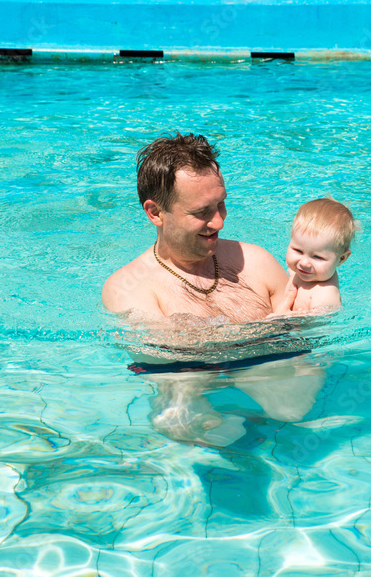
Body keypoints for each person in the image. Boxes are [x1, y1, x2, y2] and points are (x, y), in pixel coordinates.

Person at [102, 133, 324, 446]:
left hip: (267, 374)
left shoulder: (255, 261)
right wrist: (267, 330)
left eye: (221, 204)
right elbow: (172, 366)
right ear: (155, 213)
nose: (219, 222)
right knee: (180, 422)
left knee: (293, 409)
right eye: (202, 212)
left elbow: (313, 329)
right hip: (192, 387)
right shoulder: (128, 289)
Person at [272, 198, 356, 315]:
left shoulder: (325, 295)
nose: (304, 263)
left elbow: (322, 329)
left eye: (318, 257)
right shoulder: (304, 272)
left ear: (341, 258)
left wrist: (287, 321)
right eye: (298, 250)